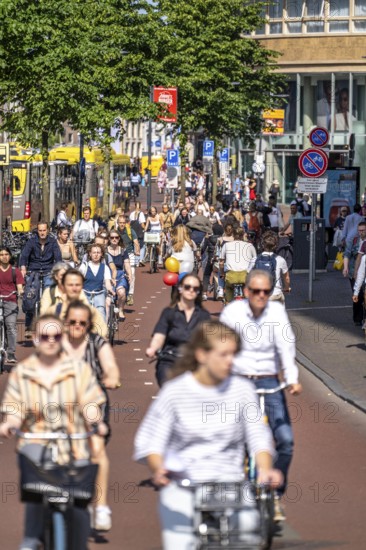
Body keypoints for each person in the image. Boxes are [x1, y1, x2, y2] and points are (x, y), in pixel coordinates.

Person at [135, 320, 280, 550]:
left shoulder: (243, 390)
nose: (230, 361)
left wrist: (265, 468)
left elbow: (258, 436)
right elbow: (149, 440)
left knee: (248, 534)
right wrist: (158, 467)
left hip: (228, 483)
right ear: (202, 355)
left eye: (233, 354)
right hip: (185, 484)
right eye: (223, 354)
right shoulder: (175, 392)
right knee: (179, 544)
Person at [0, 314, 107, 550]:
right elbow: (15, 408)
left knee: (79, 507)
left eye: (56, 336)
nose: (50, 340)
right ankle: (30, 540)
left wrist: (95, 421)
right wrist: (10, 424)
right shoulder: (22, 372)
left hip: (74, 442)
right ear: (35, 339)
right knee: (35, 495)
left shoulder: (79, 370)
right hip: (36, 441)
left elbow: (90, 402)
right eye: (44, 336)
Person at [220, 269, 302, 521]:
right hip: (239, 383)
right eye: (256, 291)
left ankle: (275, 496)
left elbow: (286, 346)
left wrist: (292, 379)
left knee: (285, 441)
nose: (261, 296)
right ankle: (236, 493)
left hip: (270, 382)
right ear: (246, 292)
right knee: (237, 442)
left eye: (266, 292)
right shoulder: (232, 313)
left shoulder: (276, 312)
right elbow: (220, 347)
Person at [63, 301, 121, 531]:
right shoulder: (55, 345)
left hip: (91, 400)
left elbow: (111, 368)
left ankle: (101, 506)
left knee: (96, 447)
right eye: (72, 322)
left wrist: (112, 377)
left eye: (82, 323)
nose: (77, 326)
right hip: (61, 403)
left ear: (89, 325)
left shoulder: (97, 343)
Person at [146, 273, 210, 386]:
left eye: (195, 289)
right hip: (170, 360)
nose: (191, 290)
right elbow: (159, 335)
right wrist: (153, 348)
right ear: (180, 288)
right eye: (187, 287)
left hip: (193, 363)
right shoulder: (169, 313)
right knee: (169, 388)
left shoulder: (203, 316)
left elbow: (208, 340)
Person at [19, 221, 62, 339]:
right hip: (33, 271)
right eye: (40, 230)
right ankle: (28, 326)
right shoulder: (31, 241)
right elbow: (24, 256)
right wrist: (23, 268)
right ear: (37, 231)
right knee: (30, 298)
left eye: (44, 230)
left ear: (48, 230)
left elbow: (58, 258)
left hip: (48, 271)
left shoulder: (53, 242)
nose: (42, 233)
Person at [46, 268, 108, 338]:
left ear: (82, 286)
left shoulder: (93, 314)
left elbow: (102, 340)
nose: (74, 288)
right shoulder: (52, 312)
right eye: (70, 285)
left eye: (77, 285)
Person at [219, 227, 256, 303]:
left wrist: (222, 273)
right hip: (245, 276)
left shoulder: (226, 245)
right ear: (243, 235)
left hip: (231, 276)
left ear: (233, 235)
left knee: (228, 289)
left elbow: (221, 263)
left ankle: (228, 302)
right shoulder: (250, 246)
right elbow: (255, 261)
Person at [0, 247, 24, 363]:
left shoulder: (15, 271)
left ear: (10, 256)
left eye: (6, 254)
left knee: (11, 327)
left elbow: (19, 286)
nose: (4, 256)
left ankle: (11, 353)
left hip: (11, 301)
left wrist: (20, 291)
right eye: (1, 254)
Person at [78, 244, 114, 320]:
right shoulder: (84, 266)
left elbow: (107, 282)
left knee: (101, 312)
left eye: (98, 253)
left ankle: (102, 329)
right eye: (94, 252)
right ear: (90, 254)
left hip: (99, 294)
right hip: (86, 293)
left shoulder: (105, 267)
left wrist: (110, 290)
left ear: (101, 254)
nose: (96, 255)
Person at [343, 221, 366, 326]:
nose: (361, 232)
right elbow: (347, 254)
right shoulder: (354, 240)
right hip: (355, 273)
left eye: (363, 230)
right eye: (359, 230)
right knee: (358, 294)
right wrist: (345, 268)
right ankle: (358, 318)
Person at [257, 231, 290, 304]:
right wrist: (287, 288)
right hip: (276, 293)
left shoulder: (255, 259)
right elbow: (286, 277)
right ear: (276, 246)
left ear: (262, 245)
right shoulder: (281, 259)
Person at [107, 230, 132, 321]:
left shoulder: (123, 250)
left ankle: (121, 310)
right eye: (112, 237)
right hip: (107, 275)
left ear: (119, 239)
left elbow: (127, 264)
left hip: (120, 274)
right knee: (109, 296)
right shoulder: (105, 251)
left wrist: (130, 274)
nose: (114, 239)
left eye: (116, 237)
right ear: (109, 239)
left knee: (121, 293)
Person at [117, 215, 140, 306]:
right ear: (118, 223)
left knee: (132, 273)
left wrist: (137, 251)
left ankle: (130, 294)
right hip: (118, 254)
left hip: (130, 254)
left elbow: (136, 242)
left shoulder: (130, 231)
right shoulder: (115, 231)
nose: (122, 224)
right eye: (120, 223)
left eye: (123, 223)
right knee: (119, 273)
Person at [130, 201, 146, 266]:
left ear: (135, 206)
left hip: (133, 231)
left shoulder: (131, 214)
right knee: (142, 246)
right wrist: (145, 229)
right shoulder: (141, 214)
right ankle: (140, 259)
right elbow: (142, 224)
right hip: (139, 232)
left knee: (135, 245)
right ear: (140, 207)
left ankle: (135, 261)